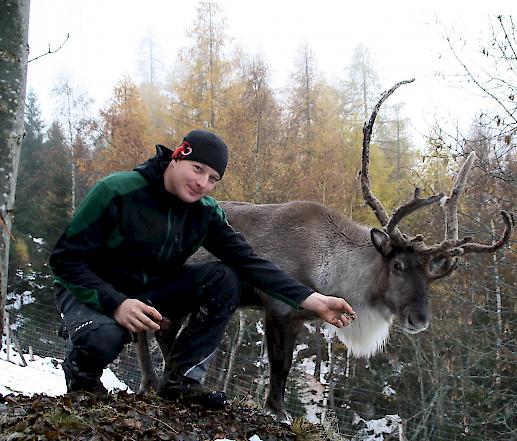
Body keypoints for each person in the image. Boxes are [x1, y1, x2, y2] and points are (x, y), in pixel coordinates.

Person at [50, 129, 356, 409]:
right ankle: (83, 380)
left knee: (225, 277)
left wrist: (313, 299)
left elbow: (250, 263)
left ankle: (180, 380)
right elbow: (65, 260)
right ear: (177, 155)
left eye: (212, 178)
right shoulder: (117, 190)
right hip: (91, 287)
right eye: (197, 169)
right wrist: (116, 303)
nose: (202, 183)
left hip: (151, 290)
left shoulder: (205, 213)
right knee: (102, 339)